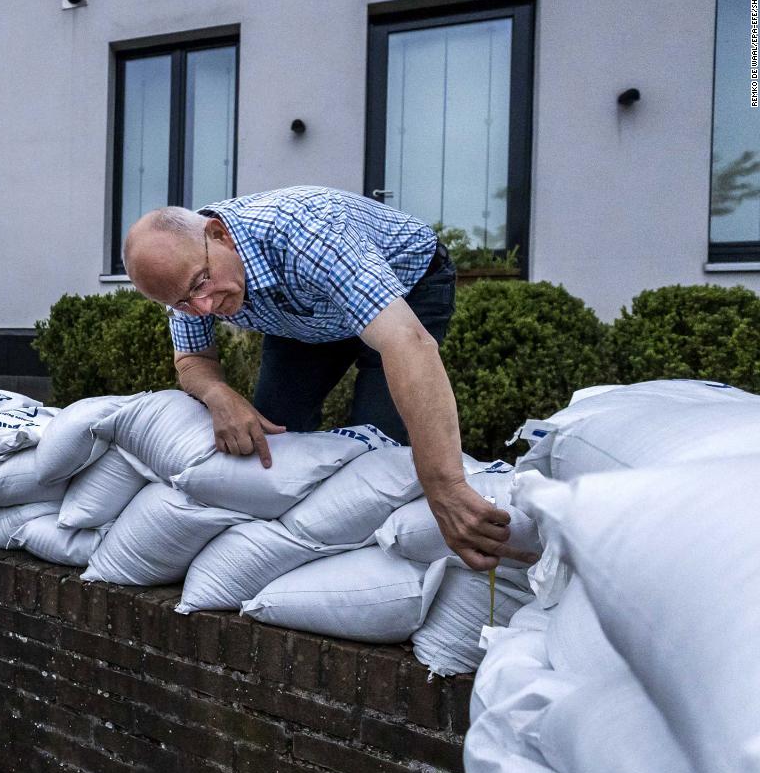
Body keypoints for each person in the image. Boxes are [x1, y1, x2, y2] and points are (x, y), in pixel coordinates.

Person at [121, 185, 532, 571]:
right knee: (272, 439)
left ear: (219, 234)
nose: (206, 307)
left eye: (202, 284)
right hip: (302, 319)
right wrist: (218, 393)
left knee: (382, 448)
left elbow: (408, 344)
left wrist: (446, 486)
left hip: (407, 289)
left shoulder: (306, 232)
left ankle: (382, 564)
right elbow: (192, 357)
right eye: (183, 303)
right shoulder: (186, 273)